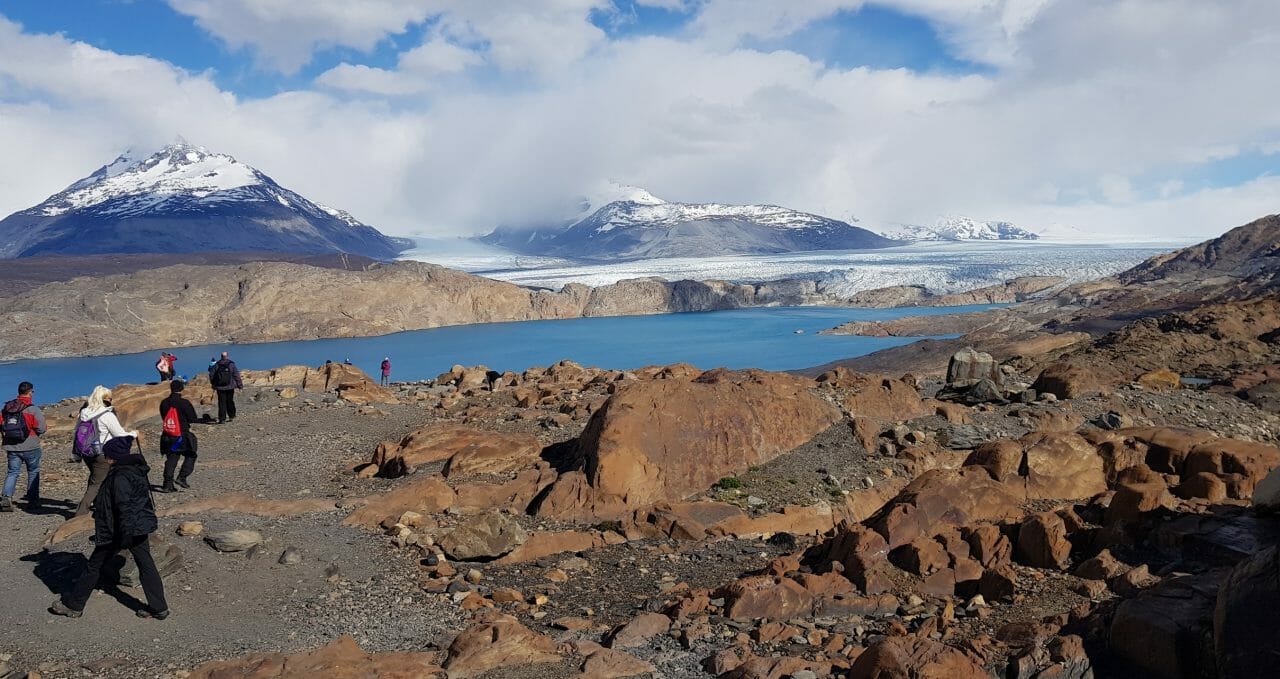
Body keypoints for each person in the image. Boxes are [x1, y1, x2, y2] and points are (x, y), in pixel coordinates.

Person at [50, 435, 169, 620]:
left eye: (108, 456)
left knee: (94, 566)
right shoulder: (135, 470)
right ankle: (159, 608)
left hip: (120, 529)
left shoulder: (120, 476)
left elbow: (124, 507)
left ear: (115, 457)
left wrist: (124, 533)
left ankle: (73, 605)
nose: (106, 459)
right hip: (139, 526)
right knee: (146, 564)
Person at [75, 386, 139, 517]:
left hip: (87, 451)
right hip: (102, 452)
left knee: (95, 477)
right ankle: (80, 513)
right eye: (110, 398)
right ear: (105, 399)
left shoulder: (85, 413)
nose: (111, 400)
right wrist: (133, 434)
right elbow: (119, 434)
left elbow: (77, 432)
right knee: (97, 483)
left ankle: (99, 504)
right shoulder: (106, 415)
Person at [2, 381, 46, 512]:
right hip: (30, 445)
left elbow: (1, 424)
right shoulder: (32, 409)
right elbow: (42, 428)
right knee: (33, 472)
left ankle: (6, 496)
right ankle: (32, 501)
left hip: (11, 446)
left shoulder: (7, 408)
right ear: (30, 392)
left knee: (12, 472)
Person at [157, 379, 199, 493]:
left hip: (168, 436)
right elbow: (192, 418)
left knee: (172, 457)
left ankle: (167, 484)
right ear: (181, 389)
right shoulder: (184, 402)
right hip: (181, 437)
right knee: (191, 454)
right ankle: (182, 477)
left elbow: (163, 417)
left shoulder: (164, 403)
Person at [208, 351, 242, 424]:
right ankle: (231, 416)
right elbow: (236, 375)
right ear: (227, 356)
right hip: (230, 386)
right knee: (230, 401)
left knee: (221, 402)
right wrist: (240, 386)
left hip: (220, 387)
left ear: (220, 356)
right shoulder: (231, 364)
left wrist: (213, 385)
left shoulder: (216, 365)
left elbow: (211, 375)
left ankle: (222, 419)